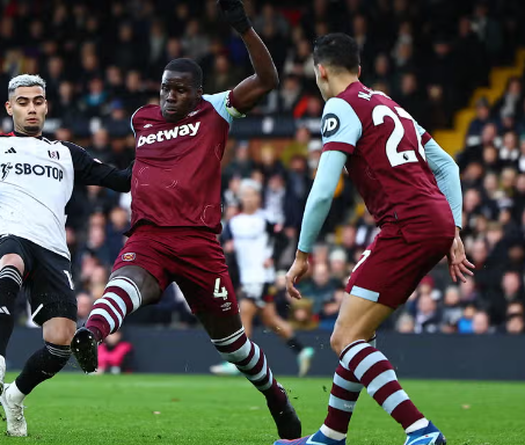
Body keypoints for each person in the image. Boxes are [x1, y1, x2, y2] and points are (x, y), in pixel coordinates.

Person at [71, 0, 301, 440]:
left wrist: (244, 28)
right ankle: (92, 334)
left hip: (199, 243)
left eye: (178, 90)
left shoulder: (217, 109)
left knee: (232, 345)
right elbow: (142, 171)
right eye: (164, 89)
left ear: (197, 91)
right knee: (126, 281)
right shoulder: (142, 119)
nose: (169, 96)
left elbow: (268, 80)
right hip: (150, 235)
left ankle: (275, 396)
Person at [275, 34, 474, 445]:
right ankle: (331, 435)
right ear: (360, 70)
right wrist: (453, 229)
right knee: (357, 335)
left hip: (406, 223)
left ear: (321, 71)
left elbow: (322, 189)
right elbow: (448, 167)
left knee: (342, 337)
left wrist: (302, 253)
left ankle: (420, 430)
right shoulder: (384, 102)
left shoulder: (339, 105)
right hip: (430, 219)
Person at [0, 74, 132, 437]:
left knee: (60, 342)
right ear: (10, 107)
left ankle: (14, 396)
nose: (31, 108)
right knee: (8, 264)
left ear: (46, 106)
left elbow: (121, 179)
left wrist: (160, 155)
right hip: (10, 236)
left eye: (37, 101)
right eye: (23, 102)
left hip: (54, 251)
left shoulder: (66, 153)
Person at [210, 179, 315, 377]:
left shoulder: (266, 219)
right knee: (270, 320)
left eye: (251, 194)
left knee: (245, 313)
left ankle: (238, 361)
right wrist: (228, 249)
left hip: (261, 277)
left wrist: (272, 258)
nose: (248, 198)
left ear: (258, 197)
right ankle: (301, 350)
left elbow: (283, 239)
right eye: (245, 194)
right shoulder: (233, 223)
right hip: (246, 277)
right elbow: (224, 246)